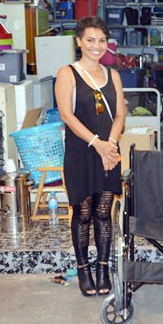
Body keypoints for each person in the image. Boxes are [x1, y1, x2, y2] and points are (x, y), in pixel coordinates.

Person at [55, 16, 126, 297]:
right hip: (81, 152)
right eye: (90, 40)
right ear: (79, 42)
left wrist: (110, 144)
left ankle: (103, 268)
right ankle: (83, 269)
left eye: (101, 40)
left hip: (108, 151)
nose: (96, 46)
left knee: (103, 212)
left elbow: (120, 114)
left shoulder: (114, 75)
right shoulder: (67, 73)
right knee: (83, 212)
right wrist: (97, 143)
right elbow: (66, 115)